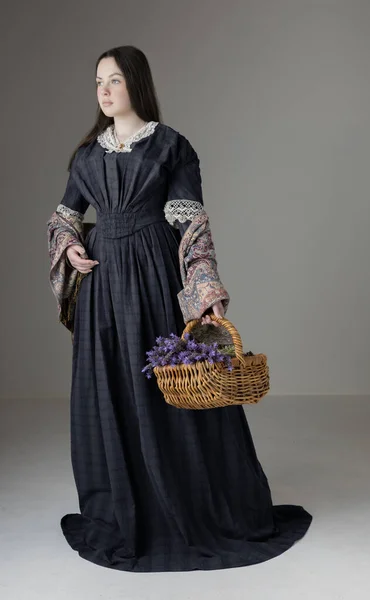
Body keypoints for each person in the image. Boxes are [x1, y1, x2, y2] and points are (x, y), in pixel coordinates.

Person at [46, 45, 312, 573]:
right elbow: (64, 216)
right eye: (98, 80)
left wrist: (205, 294)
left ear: (136, 85)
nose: (104, 90)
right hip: (103, 285)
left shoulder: (170, 146)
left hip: (153, 277)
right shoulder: (86, 157)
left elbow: (192, 228)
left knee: (170, 391)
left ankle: (187, 503)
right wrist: (71, 247)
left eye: (115, 80)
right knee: (114, 389)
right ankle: (126, 505)